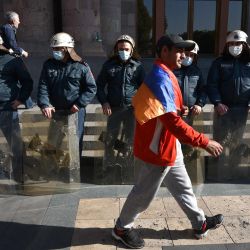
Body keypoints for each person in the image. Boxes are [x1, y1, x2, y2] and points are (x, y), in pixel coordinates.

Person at [111, 34, 224, 249]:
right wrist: (204, 141)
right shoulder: (161, 78)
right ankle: (121, 228)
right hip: (158, 150)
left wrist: (177, 109)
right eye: (179, 51)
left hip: (169, 146)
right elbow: (172, 123)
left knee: (183, 188)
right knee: (143, 194)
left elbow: (165, 110)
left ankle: (199, 224)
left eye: (185, 51)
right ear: (164, 51)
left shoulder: (165, 72)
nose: (184, 55)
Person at [37, 32, 96, 164]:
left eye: (58, 49)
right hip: (55, 111)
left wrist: (80, 104)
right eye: (53, 49)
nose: (55, 51)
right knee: (53, 142)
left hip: (75, 111)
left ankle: (75, 168)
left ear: (67, 49)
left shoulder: (81, 66)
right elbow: (43, 86)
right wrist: (45, 104)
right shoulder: (49, 65)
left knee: (74, 142)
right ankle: (52, 168)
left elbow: (91, 88)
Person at [96, 34, 145, 182]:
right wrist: (104, 102)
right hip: (114, 109)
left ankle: (128, 168)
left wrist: (140, 106)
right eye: (120, 49)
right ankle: (109, 168)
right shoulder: (109, 65)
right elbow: (99, 85)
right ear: (116, 49)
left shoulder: (138, 66)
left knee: (131, 140)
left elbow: (144, 88)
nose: (123, 51)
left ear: (132, 50)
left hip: (132, 109)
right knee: (110, 139)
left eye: (126, 49)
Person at [207, 30, 250, 180]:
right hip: (223, 109)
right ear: (227, 46)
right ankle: (216, 172)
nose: (235, 46)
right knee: (220, 140)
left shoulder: (249, 62)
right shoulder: (219, 62)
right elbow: (212, 84)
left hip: (242, 108)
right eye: (231, 43)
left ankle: (233, 171)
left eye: (238, 43)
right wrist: (217, 102)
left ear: (244, 45)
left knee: (236, 141)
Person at [0, 36, 33, 183]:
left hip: (7, 106)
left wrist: (20, 99)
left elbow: (27, 81)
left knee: (15, 143)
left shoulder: (12, 60)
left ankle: (21, 174)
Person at [174, 40, 207, 160]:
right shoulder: (173, 69)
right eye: (187, 53)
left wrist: (199, 104)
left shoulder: (197, 71)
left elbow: (203, 90)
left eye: (192, 55)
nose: (188, 57)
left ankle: (189, 164)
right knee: (175, 142)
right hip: (176, 113)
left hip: (191, 113)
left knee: (189, 142)